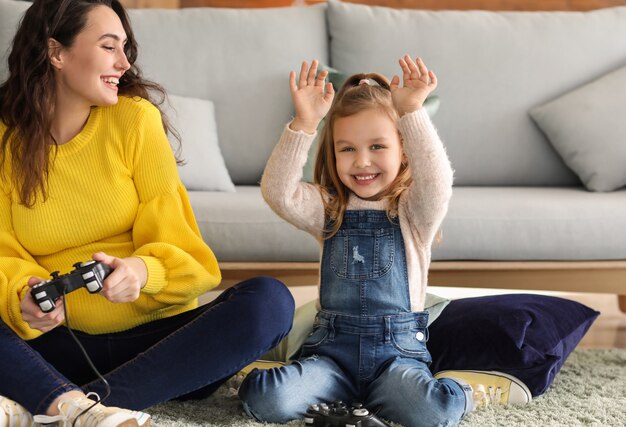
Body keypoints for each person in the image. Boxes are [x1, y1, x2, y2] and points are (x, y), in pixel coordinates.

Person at [0, 1, 295, 426]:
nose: (124, 62)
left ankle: (65, 405)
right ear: (56, 53)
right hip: (57, 346)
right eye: (108, 47)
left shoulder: (135, 121)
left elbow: (191, 258)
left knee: (269, 301)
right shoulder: (7, 141)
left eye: (125, 48)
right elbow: (4, 252)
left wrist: (140, 271)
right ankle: (77, 409)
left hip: (163, 351)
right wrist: (23, 298)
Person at [238, 57, 532, 427]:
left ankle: (466, 391)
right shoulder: (330, 207)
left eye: (377, 146)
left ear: (403, 151)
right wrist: (305, 124)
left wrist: (411, 112)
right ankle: (276, 375)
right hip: (331, 360)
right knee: (266, 400)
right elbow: (278, 193)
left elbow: (437, 180)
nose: (362, 162)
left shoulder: (414, 211)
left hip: (397, 361)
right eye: (347, 149)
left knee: (432, 413)